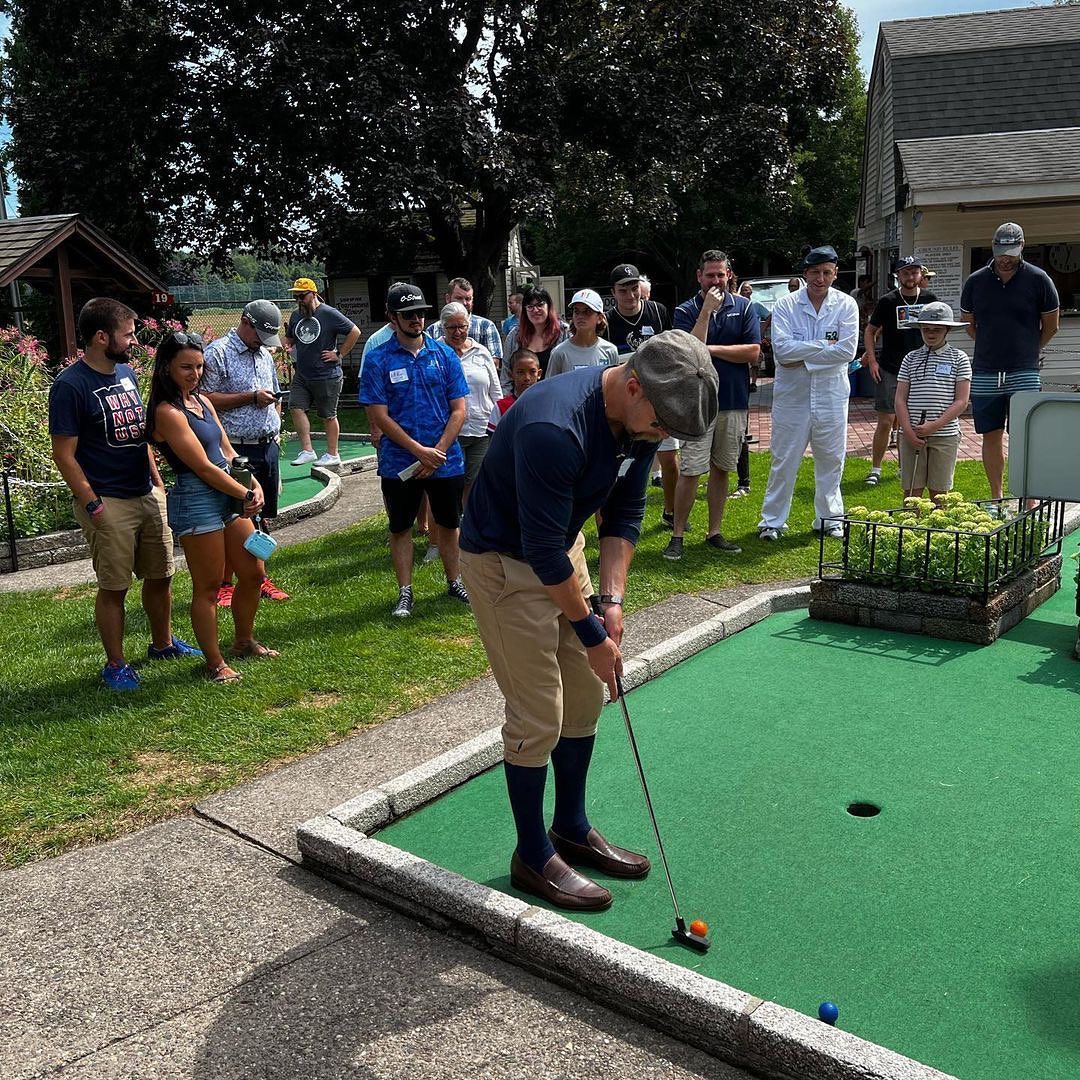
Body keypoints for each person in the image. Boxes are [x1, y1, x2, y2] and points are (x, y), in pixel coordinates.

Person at [459, 330, 719, 911]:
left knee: (582, 697)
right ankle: (531, 854)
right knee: (537, 713)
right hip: (505, 562)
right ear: (633, 385)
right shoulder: (555, 427)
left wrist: (613, 603)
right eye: (662, 426)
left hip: (558, 549)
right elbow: (542, 549)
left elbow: (623, 512)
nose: (664, 437)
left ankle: (570, 827)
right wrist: (592, 632)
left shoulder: (647, 416)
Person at [48, 298, 201, 690]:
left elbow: (141, 435)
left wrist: (156, 480)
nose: (134, 341)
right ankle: (116, 664)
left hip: (145, 492)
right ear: (102, 337)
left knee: (162, 574)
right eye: (128, 334)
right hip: (107, 500)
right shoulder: (70, 385)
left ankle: (162, 644)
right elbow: (63, 455)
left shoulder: (127, 373)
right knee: (115, 586)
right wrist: (92, 502)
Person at [147, 333, 279, 681]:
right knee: (208, 588)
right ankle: (215, 662)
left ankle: (244, 640)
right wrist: (244, 493)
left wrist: (253, 483)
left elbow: (226, 450)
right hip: (197, 497)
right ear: (166, 368)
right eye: (186, 367)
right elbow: (202, 467)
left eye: (200, 366)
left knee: (253, 573)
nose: (195, 373)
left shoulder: (202, 402)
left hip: (228, 488)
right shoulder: (167, 412)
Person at [360, 283, 470, 618]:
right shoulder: (377, 360)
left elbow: (459, 409)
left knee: (450, 524)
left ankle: (455, 581)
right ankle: (405, 591)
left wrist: (436, 450)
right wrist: (418, 450)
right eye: (408, 314)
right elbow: (379, 415)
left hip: (444, 461)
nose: (416, 320)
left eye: (420, 313)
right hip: (400, 463)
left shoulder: (444, 354)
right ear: (392, 318)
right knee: (401, 527)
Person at [758, 246, 859, 541]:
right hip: (792, 398)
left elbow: (848, 351)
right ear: (805, 274)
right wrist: (824, 347)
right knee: (784, 459)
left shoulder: (846, 305)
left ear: (835, 273)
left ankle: (829, 519)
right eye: (815, 272)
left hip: (831, 396)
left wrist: (804, 354)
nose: (820, 278)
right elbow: (782, 351)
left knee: (831, 459)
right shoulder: (787, 305)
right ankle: (772, 521)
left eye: (827, 272)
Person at [666, 250, 760, 559]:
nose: (716, 280)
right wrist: (705, 312)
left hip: (732, 400)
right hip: (696, 401)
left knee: (722, 467)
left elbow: (752, 353)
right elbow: (689, 353)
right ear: (699, 277)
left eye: (721, 274)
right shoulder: (684, 310)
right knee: (691, 469)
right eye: (710, 275)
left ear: (729, 275)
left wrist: (711, 349)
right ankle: (677, 534)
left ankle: (714, 532)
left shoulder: (744, 308)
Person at [960, 222, 1060, 500]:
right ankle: (997, 496)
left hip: (1024, 371)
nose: (1005, 258)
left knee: (1025, 437)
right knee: (990, 434)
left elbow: (1051, 326)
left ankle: (1028, 497)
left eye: (1011, 252)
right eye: (1001, 251)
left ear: (1022, 248)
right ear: (993, 248)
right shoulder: (976, 281)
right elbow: (970, 324)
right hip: (985, 370)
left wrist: (1029, 349)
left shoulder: (1039, 280)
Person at [200, 300, 290, 607]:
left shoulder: (264, 353)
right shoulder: (218, 353)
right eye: (260, 335)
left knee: (261, 514)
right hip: (235, 447)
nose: (263, 343)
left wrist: (275, 429)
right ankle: (226, 583)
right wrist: (250, 398)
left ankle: (257, 577)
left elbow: (274, 391)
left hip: (266, 444)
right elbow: (204, 400)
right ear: (244, 322)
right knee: (235, 516)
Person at [603, 263, 676, 523]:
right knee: (624, 461)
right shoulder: (608, 321)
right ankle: (619, 513)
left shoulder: (657, 312)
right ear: (614, 292)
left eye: (634, 288)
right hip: (628, 401)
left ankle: (671, 512)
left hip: (660, 397)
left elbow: (672, 349)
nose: (631, 295)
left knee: (668, 457)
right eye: (624, 290)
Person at [861, 256, 937, 486]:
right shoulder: (888, 301)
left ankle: (907, 467)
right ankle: (876, 468)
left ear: (920, 274)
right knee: (886, 420)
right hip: (891, 367)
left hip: (922, 369)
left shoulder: (930, 300)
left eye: (914, 272)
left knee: (913, 421)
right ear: (898, 275)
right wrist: (872, 360)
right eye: (905, 273)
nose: (910, 277)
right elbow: (870, 330)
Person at [894, 303, 972, 499]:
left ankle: (936, 529)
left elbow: (961, 401)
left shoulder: (959, 358)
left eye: (937, 329)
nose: (931, 334)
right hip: (911, 434)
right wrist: (909, 432)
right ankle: (911, 527)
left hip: (945, 435)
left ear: (947, 330)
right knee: (912, 491)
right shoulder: (910, 358)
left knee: (939, 493)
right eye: (926, 329)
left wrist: (934, 425)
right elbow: (900, 399)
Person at [285, 277, 361, 468]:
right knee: (295, 406)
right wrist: (284, 347)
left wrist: (339, 353)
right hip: (302, 373)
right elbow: (289, 339)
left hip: (326, 374)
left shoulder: (328, 313)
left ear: (313, 294)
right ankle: (307, 450)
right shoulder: (296, 316)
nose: (299, 300)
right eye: (296, 297)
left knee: (328, 415)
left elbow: (355, 331)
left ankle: (332, 454)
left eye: (302, 296)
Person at [439, 301, 500, 503]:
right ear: (443, 327)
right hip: (449, 431)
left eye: (462, 326)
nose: (458, 332)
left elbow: (495, 391)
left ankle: (471, 527)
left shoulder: (481, 351)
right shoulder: (435, 353)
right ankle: (450, 527)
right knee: (451, 482)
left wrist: (500, 424)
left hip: (482, 429)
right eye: (452, 327)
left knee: (476, 483)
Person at [427, 277, 504, 366]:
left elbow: (494, 363)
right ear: (448, 298)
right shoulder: (433, 330)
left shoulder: (486, 326)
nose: (464, 303)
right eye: (459, 298)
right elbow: (429, 364)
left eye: (468, 299)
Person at [546, 289, 619, 376]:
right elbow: (550, 387)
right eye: (576, 311)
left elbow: (613, 385)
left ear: (599, 318)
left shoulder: (610, 350)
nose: (580, 316)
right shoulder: (559, 353)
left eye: (587, 312)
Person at [503, 285, 568, 382]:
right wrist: (510, 396)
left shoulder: (564, 332)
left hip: (555, 394)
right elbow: (506, 374)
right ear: (525, 310)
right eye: (530, 306)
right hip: (522, 396)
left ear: (548, 306)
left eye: (540, 305)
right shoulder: (514, 335)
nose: (535, 310)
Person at [488, 348, 541, 431]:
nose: (527, 378)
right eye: (520, 372)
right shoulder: (501, 406)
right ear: (511, 375)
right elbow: (494, 440)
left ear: (539, 374)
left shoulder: (546, 404)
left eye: (532, 372)